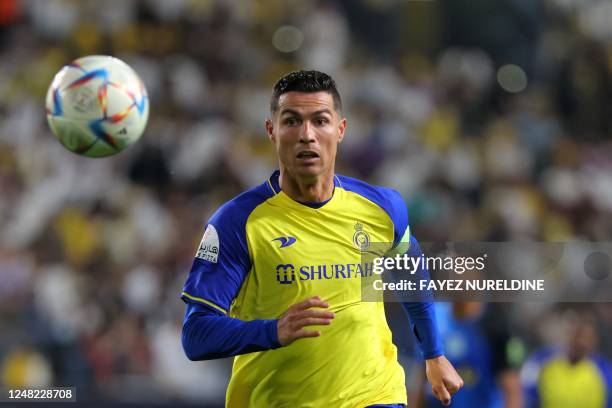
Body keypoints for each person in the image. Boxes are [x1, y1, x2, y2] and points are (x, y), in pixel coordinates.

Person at [180, 70, 463, 407]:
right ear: (272, 131)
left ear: (340, 130)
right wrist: (272, 331)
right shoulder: (238, 223)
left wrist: (434, 353)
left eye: (320, 121)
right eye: (292, 121)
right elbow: (196, 336)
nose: (307, 135)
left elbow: (410, 274)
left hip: (375, 395)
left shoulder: (382, 208)